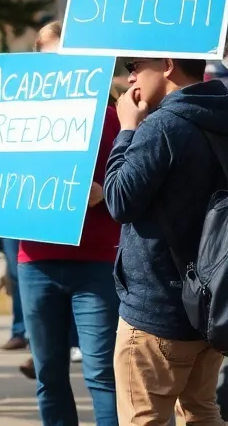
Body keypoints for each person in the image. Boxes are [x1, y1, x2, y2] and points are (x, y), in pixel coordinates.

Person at [6, 21, 121, 426]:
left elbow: (135, 183)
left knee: (102, 374)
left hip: (96, 263)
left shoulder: (112, 118)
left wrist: (104, 192)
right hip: (35, 261)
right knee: (48, 374)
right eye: (48, 61)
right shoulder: (15, 119)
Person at [104, 55, 228, 426]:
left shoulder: (161, 126)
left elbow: (118, 200)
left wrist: (127, 129)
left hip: (156, 311)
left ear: (168, 65)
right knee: (202, 412)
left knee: (144, 419)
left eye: (135, 66)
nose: (131, 80)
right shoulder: (221, 115)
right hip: (212, 303)